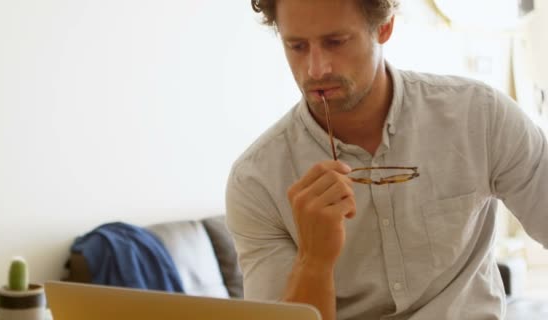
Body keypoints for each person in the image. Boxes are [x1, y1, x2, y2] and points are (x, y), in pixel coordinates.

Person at [224, 1, 548, 319]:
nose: (316, 69)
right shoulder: (256, 181)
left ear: (384, 26)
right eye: (296, 46)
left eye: (335, 42)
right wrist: (314, 260)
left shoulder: (480, 116)